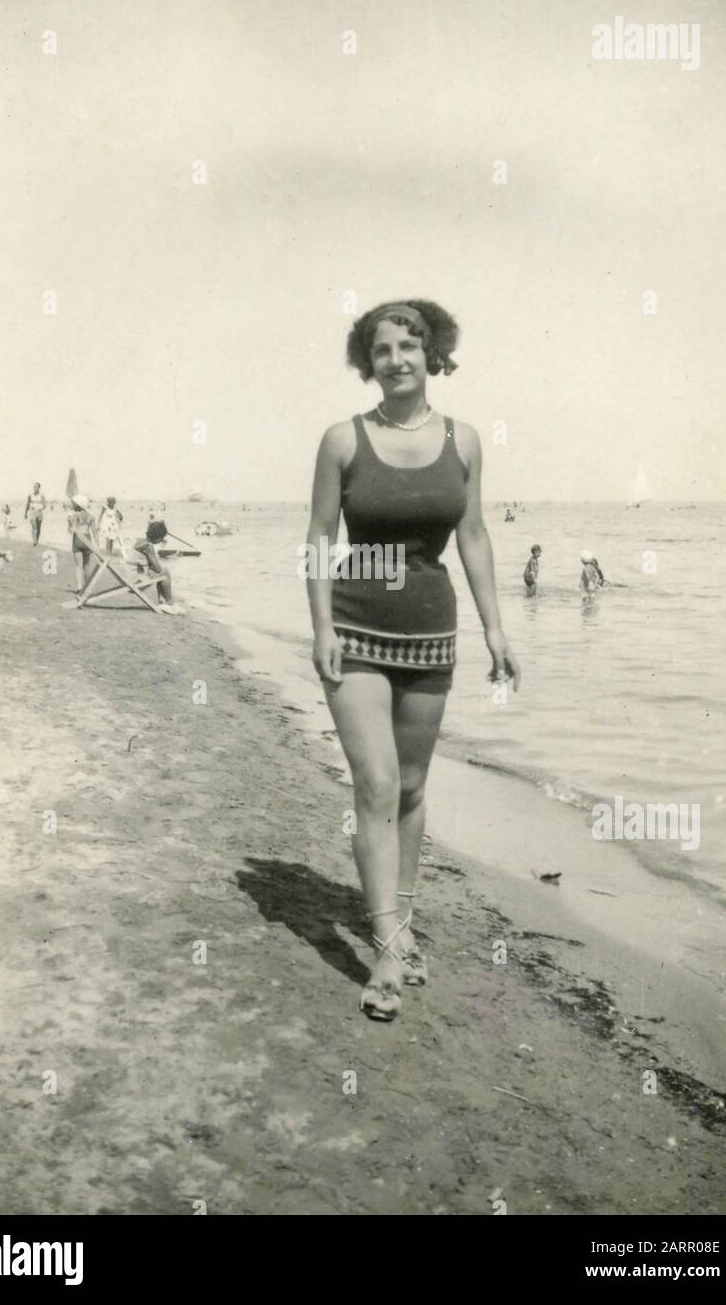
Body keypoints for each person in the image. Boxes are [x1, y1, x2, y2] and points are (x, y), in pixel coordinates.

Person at [305, 299, 520, 1021]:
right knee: (375, 783)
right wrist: (320, 628)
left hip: (432, 633)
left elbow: (477, 538)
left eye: (409, 345)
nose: (395, 359)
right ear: (367, 362)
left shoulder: (465, 442)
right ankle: (390, 948)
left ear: (434, 354)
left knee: (412, 789)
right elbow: (318, 540)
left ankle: (401, 916)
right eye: (381, 349)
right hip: (355, 629)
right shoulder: (342, 440)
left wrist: (495, 631)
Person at [133, 519, 184, 614]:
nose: (161, 541)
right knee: (165, 572)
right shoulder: (148, 547)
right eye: (161, 538)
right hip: (136, 581)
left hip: (131, 577)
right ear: (157, 537)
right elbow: (158, 568)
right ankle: (170, 602)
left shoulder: (139, 541)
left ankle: (162, 602)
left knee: (161, 572)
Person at [68, 495, 98, 593]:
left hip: (78, 540)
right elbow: (95, 532)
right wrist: (97, 545)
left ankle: (79, 587)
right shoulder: (91, 517)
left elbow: (71, 530)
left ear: (78, 505)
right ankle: (87, 586)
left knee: (78, 565)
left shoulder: (74, 516)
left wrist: (68, 522)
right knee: (87, 565)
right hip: (87, 540)